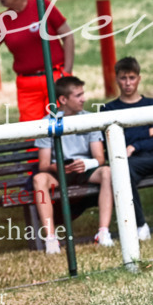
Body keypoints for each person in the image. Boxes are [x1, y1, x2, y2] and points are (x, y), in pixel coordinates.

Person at [32, 76, 113, 254]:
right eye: (78, 95)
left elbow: (99, 158)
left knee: (107, 172)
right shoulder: (48, 122)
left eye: (82, 94)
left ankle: (103, 232)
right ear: (63, 100)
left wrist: (85, 163)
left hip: (86, 170)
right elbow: (44, 165)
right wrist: (61, 167)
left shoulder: (89, 119)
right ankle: (51, 239)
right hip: (58, 172)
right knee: (39, 179)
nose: (83, 99)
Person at [0, 0, 76, 122]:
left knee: (64, 121)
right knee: (32, 127)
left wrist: (67, 70)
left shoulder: (42, 6)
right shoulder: (2, 20)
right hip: (27, 84)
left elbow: (68, 35)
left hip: (55, 77)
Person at [102, 57, 153, 241]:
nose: (128, 83)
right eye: (123, 78)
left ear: (139, 78)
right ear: (116, 79)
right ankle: (140, 224)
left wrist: (135, 144)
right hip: (133, 163)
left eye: (132, 77)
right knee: (122, 172)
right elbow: (115, 143)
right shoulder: (109, 109)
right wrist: (150, 133)